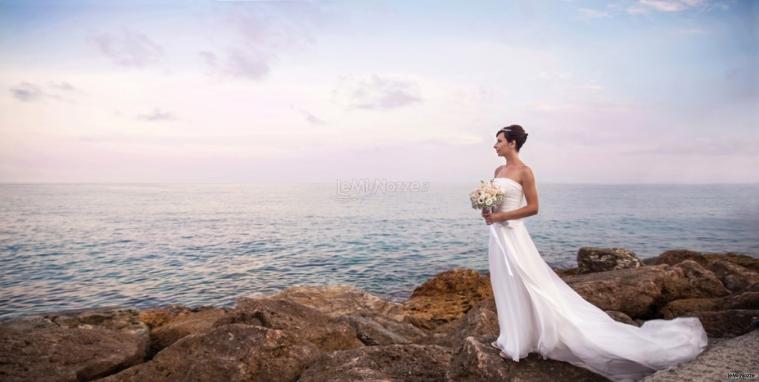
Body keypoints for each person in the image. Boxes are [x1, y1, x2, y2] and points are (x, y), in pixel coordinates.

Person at [481, 125, 708, 382]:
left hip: (514, 236)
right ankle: (513, 338)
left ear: (512, 143)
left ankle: (524, 342)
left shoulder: (525, 171)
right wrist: (487, 210)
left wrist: (503, 215)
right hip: (497, 236)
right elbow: (494, 203)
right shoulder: (498, 171)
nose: (495, 145)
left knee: (529, 283)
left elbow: (533, 208)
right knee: (505, 283)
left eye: (499, 141)